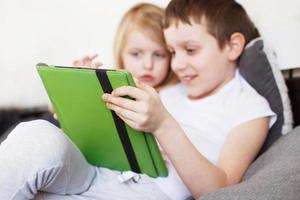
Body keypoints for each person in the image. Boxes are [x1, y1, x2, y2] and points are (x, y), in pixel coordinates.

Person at [0, 0, 277, 200]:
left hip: (147, 192)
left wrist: (164, 125)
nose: (178, 64)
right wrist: (75, 103)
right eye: (172, 52)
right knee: (35, 134)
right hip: (96, 173)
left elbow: (220, 190)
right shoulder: (168, 90)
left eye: (190, 50)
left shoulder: (250, 109)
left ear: (233, 46)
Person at [72, 2, 177, 91]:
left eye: (158, 55)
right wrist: (82, 83)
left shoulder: (176, 97)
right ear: (120, 54)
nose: (148, 65)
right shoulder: (110, 90)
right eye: (136, 54)